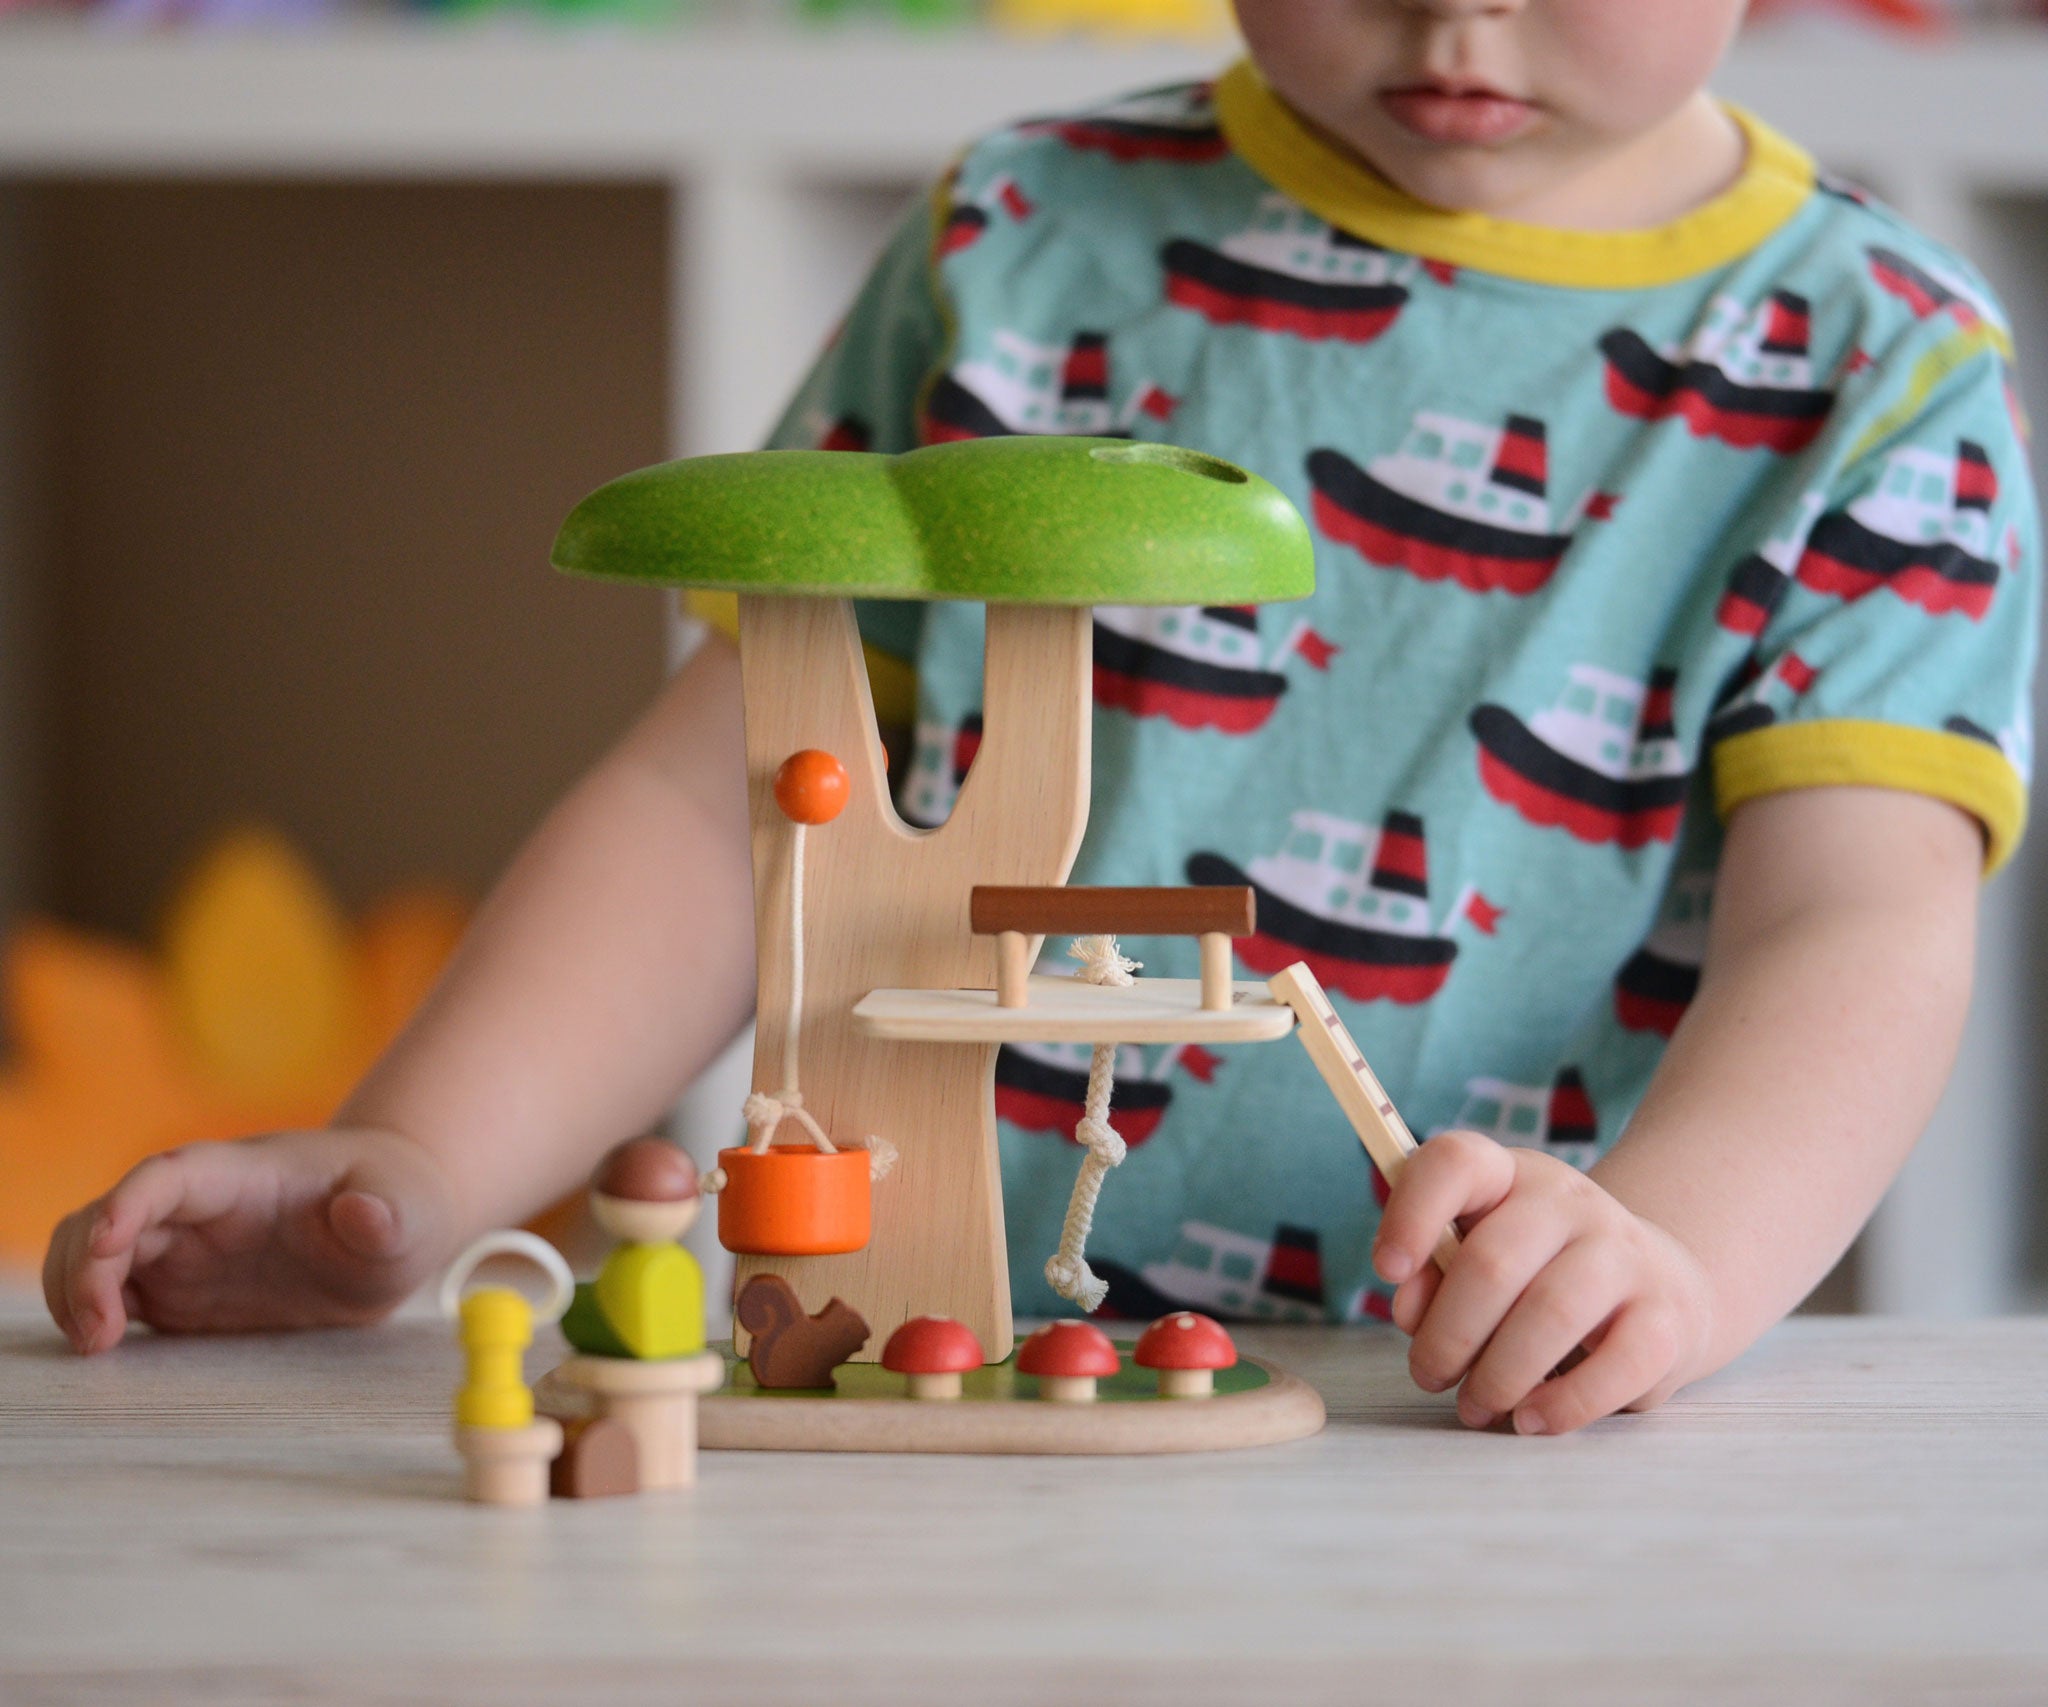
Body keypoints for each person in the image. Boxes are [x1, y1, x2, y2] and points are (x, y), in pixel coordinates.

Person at [43, 0, 2038, 1437]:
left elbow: (1855, 920)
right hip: (939, 1385)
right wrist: (413, 1159)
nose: (1455, 14)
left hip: (1465, 1421)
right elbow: (737, 796)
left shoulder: (1879, 370)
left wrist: (1669, 1256)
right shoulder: (1019, 235)